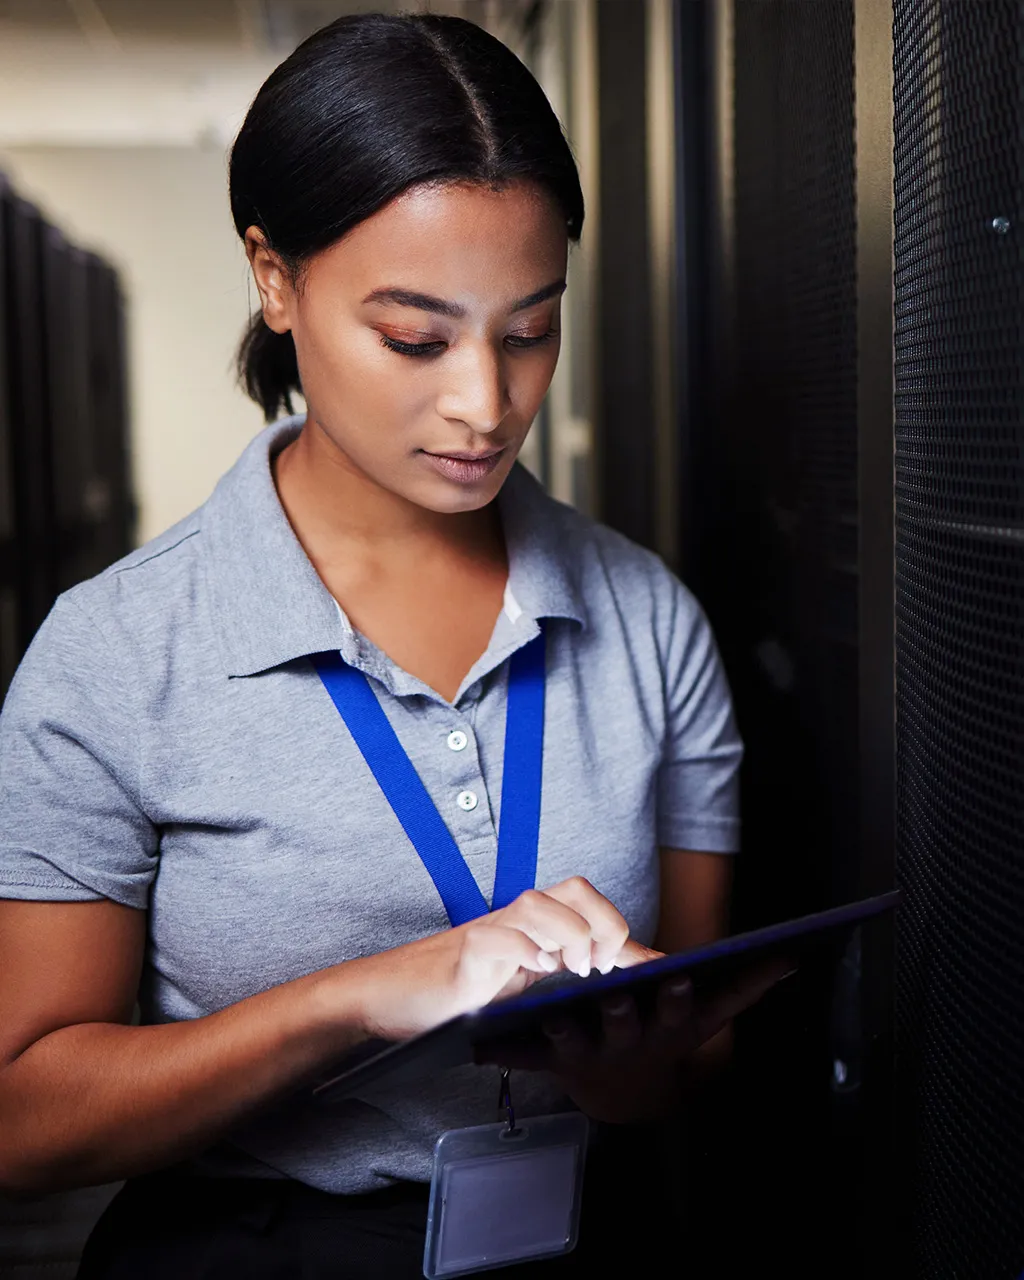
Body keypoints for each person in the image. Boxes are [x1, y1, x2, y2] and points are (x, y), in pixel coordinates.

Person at [0, 13, 775, 1277]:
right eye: (415, 337)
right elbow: (22, 1122)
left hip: (596, 1229)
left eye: (529, 329)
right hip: (263, 1248)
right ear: (274, 277)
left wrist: (633, 1063)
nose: (485, 402)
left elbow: (694, 1054)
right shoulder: (114, 655)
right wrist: (366, 990)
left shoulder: (646, 619)